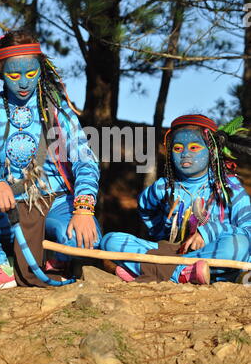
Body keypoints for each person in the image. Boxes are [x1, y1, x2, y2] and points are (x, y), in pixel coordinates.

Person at [0, 29, 102, 293]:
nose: (23, 82)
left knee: (87, 238)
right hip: (7, 208)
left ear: (41, 70)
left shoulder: (58, 111)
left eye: (31, 73)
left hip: (54, 204)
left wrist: (83, 210)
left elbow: (86, 163)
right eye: (14, 74)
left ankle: (53, 260)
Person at [100, 114, 251, 285]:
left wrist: (209, 231)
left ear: (212, 150)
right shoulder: (164, 186)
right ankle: (184, 273)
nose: (185, 153)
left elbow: (248, 230)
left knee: (238, 245)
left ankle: (159, 270)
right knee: (110, 241)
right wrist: (162, 224)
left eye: (194, 147)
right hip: (172, 251)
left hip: (212, 252)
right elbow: (145, 209)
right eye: (178, 148)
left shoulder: (229, 186)